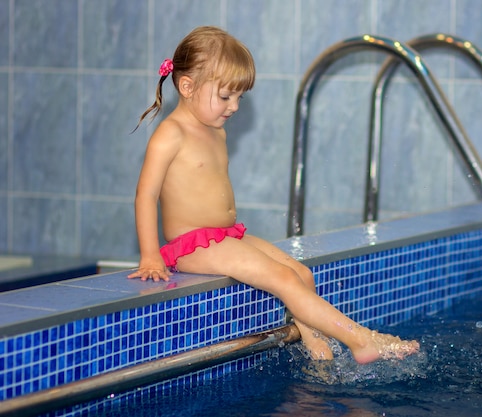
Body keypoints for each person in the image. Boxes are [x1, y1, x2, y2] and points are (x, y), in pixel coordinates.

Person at [128, 26, 419, 364]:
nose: (234, 106)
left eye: (239, 97)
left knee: (301, 274)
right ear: (187, 86)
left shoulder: (214, 132)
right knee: (281, 279)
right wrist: (150, 255)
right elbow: (145, 195)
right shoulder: (171, 133)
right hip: (192, 244)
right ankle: (361, 340)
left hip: (223, 236)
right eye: (225, 97)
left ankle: (319, 352)